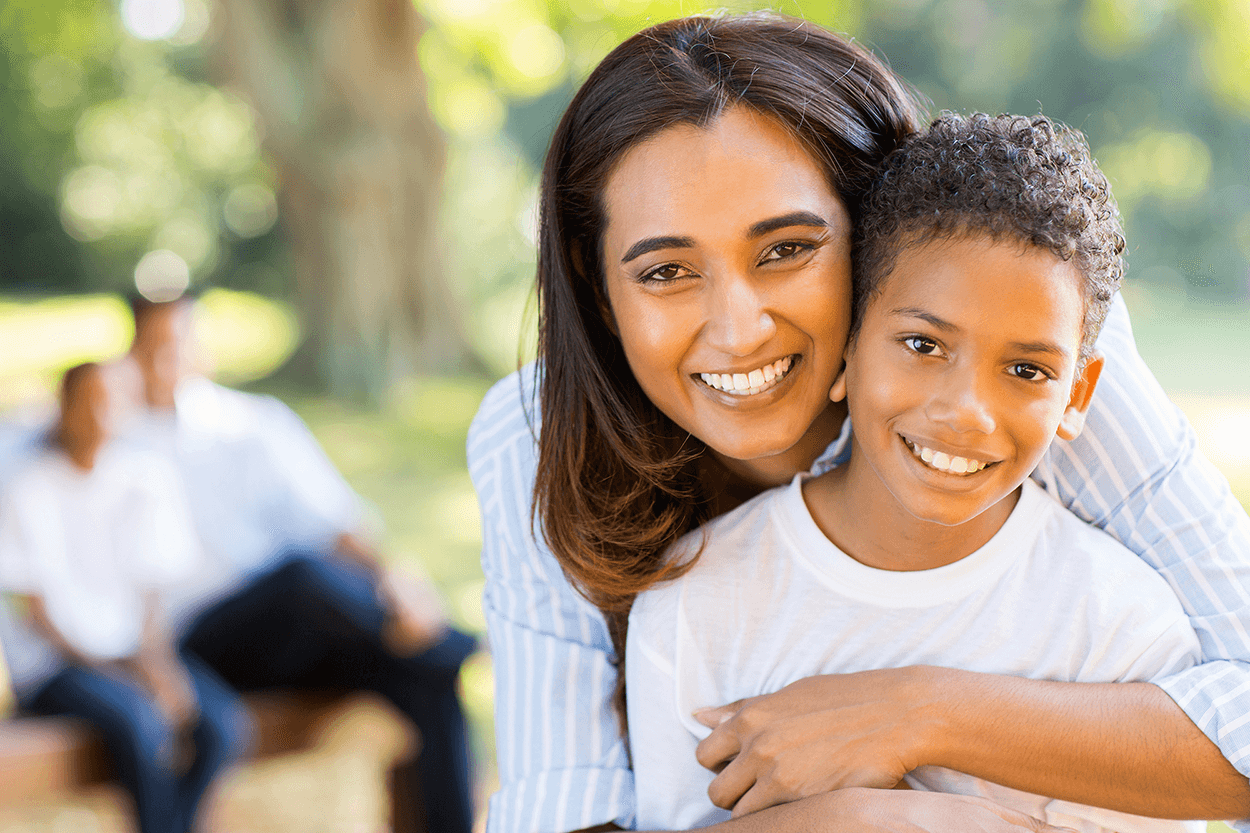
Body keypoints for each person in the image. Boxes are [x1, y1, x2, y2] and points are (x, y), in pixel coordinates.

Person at [466, 13, 1250, 833]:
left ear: (877, 234)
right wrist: (872, 821)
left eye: (786, 249)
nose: (737, 329)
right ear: (601, 293)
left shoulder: (1021, 356)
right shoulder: (535, 439)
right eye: (666, 271)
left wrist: (918, 711)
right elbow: (557, 809)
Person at [627, 111, 1208, 833]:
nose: (966, 411)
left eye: (1027, 369)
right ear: (848, 342)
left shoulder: (1121, 627)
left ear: (1077, 396)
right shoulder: (695, 601)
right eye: (923, 343)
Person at [120, 295, 479, 833]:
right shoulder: (116, 439)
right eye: (153, 348)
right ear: (131, 353)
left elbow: (340, 524)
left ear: (202, 352)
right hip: (198, 646)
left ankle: (440, 659)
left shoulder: (254, 423)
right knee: (302, 578)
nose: (167, 361)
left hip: (295, 633)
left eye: (179, 345)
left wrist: (400, 585)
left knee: (424, 679)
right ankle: (464, 646)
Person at [0, 363, 249, 833]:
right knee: (142, 726)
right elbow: (38, 616)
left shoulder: (146, 480)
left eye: (112, 402)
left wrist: (157, 666)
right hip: (58, 667)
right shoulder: (29, 490)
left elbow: (150, 592)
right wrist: (123, 671)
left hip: (132, 657)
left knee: (221, 726)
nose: (100, 415)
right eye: (88, 401)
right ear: (64, 408)